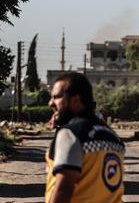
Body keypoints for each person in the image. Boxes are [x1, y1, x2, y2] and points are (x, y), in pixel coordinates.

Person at [46, 72, 124, 203]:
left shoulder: (70, 134)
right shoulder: (113, 137)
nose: (51, 103)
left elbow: (64, 188)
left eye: (57, 97)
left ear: (75, 100)